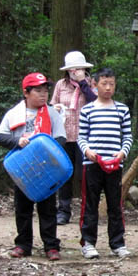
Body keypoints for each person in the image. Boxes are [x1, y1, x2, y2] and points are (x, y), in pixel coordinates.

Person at [0, 72, 66, 261]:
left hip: (46, 169)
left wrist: (45, 146)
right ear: (26, 93)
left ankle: (51, 246)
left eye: (45, 91)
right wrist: (18, 141)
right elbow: (1, 136)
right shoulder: (14, 113)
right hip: (23, 169)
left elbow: (61, 137)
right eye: (38, 91)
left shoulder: (52, 113)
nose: (43, 95)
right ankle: (23, 245)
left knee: (48, 208)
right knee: (22, 208)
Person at [77, 68, 133, 259]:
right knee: (90, 204)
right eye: (104, 84)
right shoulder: (87, 110)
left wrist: (122, 153)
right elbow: (81, 137)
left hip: (115, 164)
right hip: (92, 164)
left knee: (115, 205)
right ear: (95, 84)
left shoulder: (122, 109)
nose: (108, 88)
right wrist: (87, 151)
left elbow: (127, 136)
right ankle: (88, 243)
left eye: (111, 84)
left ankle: (117, 244)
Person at [51, 51, 97, 225]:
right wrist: (54, 108)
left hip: (85, 137)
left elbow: (95, 101)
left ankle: (88, 211)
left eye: (78, 68)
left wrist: (82, 83)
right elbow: (51, 104)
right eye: (71, 69)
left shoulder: (91, 84)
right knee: (64, 174)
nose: (74, 71)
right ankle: (63, 211)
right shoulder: (60, 85)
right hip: (64, 136)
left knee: (85, 175)